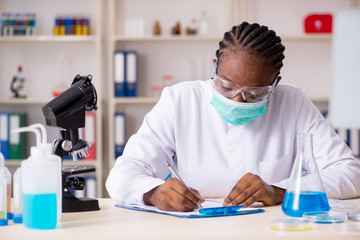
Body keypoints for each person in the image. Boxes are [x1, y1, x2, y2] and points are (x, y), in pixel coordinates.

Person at [106, 22, 360, 212]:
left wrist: (281, 191)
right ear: (214, 67)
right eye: (226, 87)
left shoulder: (292, 102)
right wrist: (153, 193)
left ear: (275, 83)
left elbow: (350, 173)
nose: (237, 101)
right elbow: (122, 174)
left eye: (254, 93)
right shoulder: (179, 100)